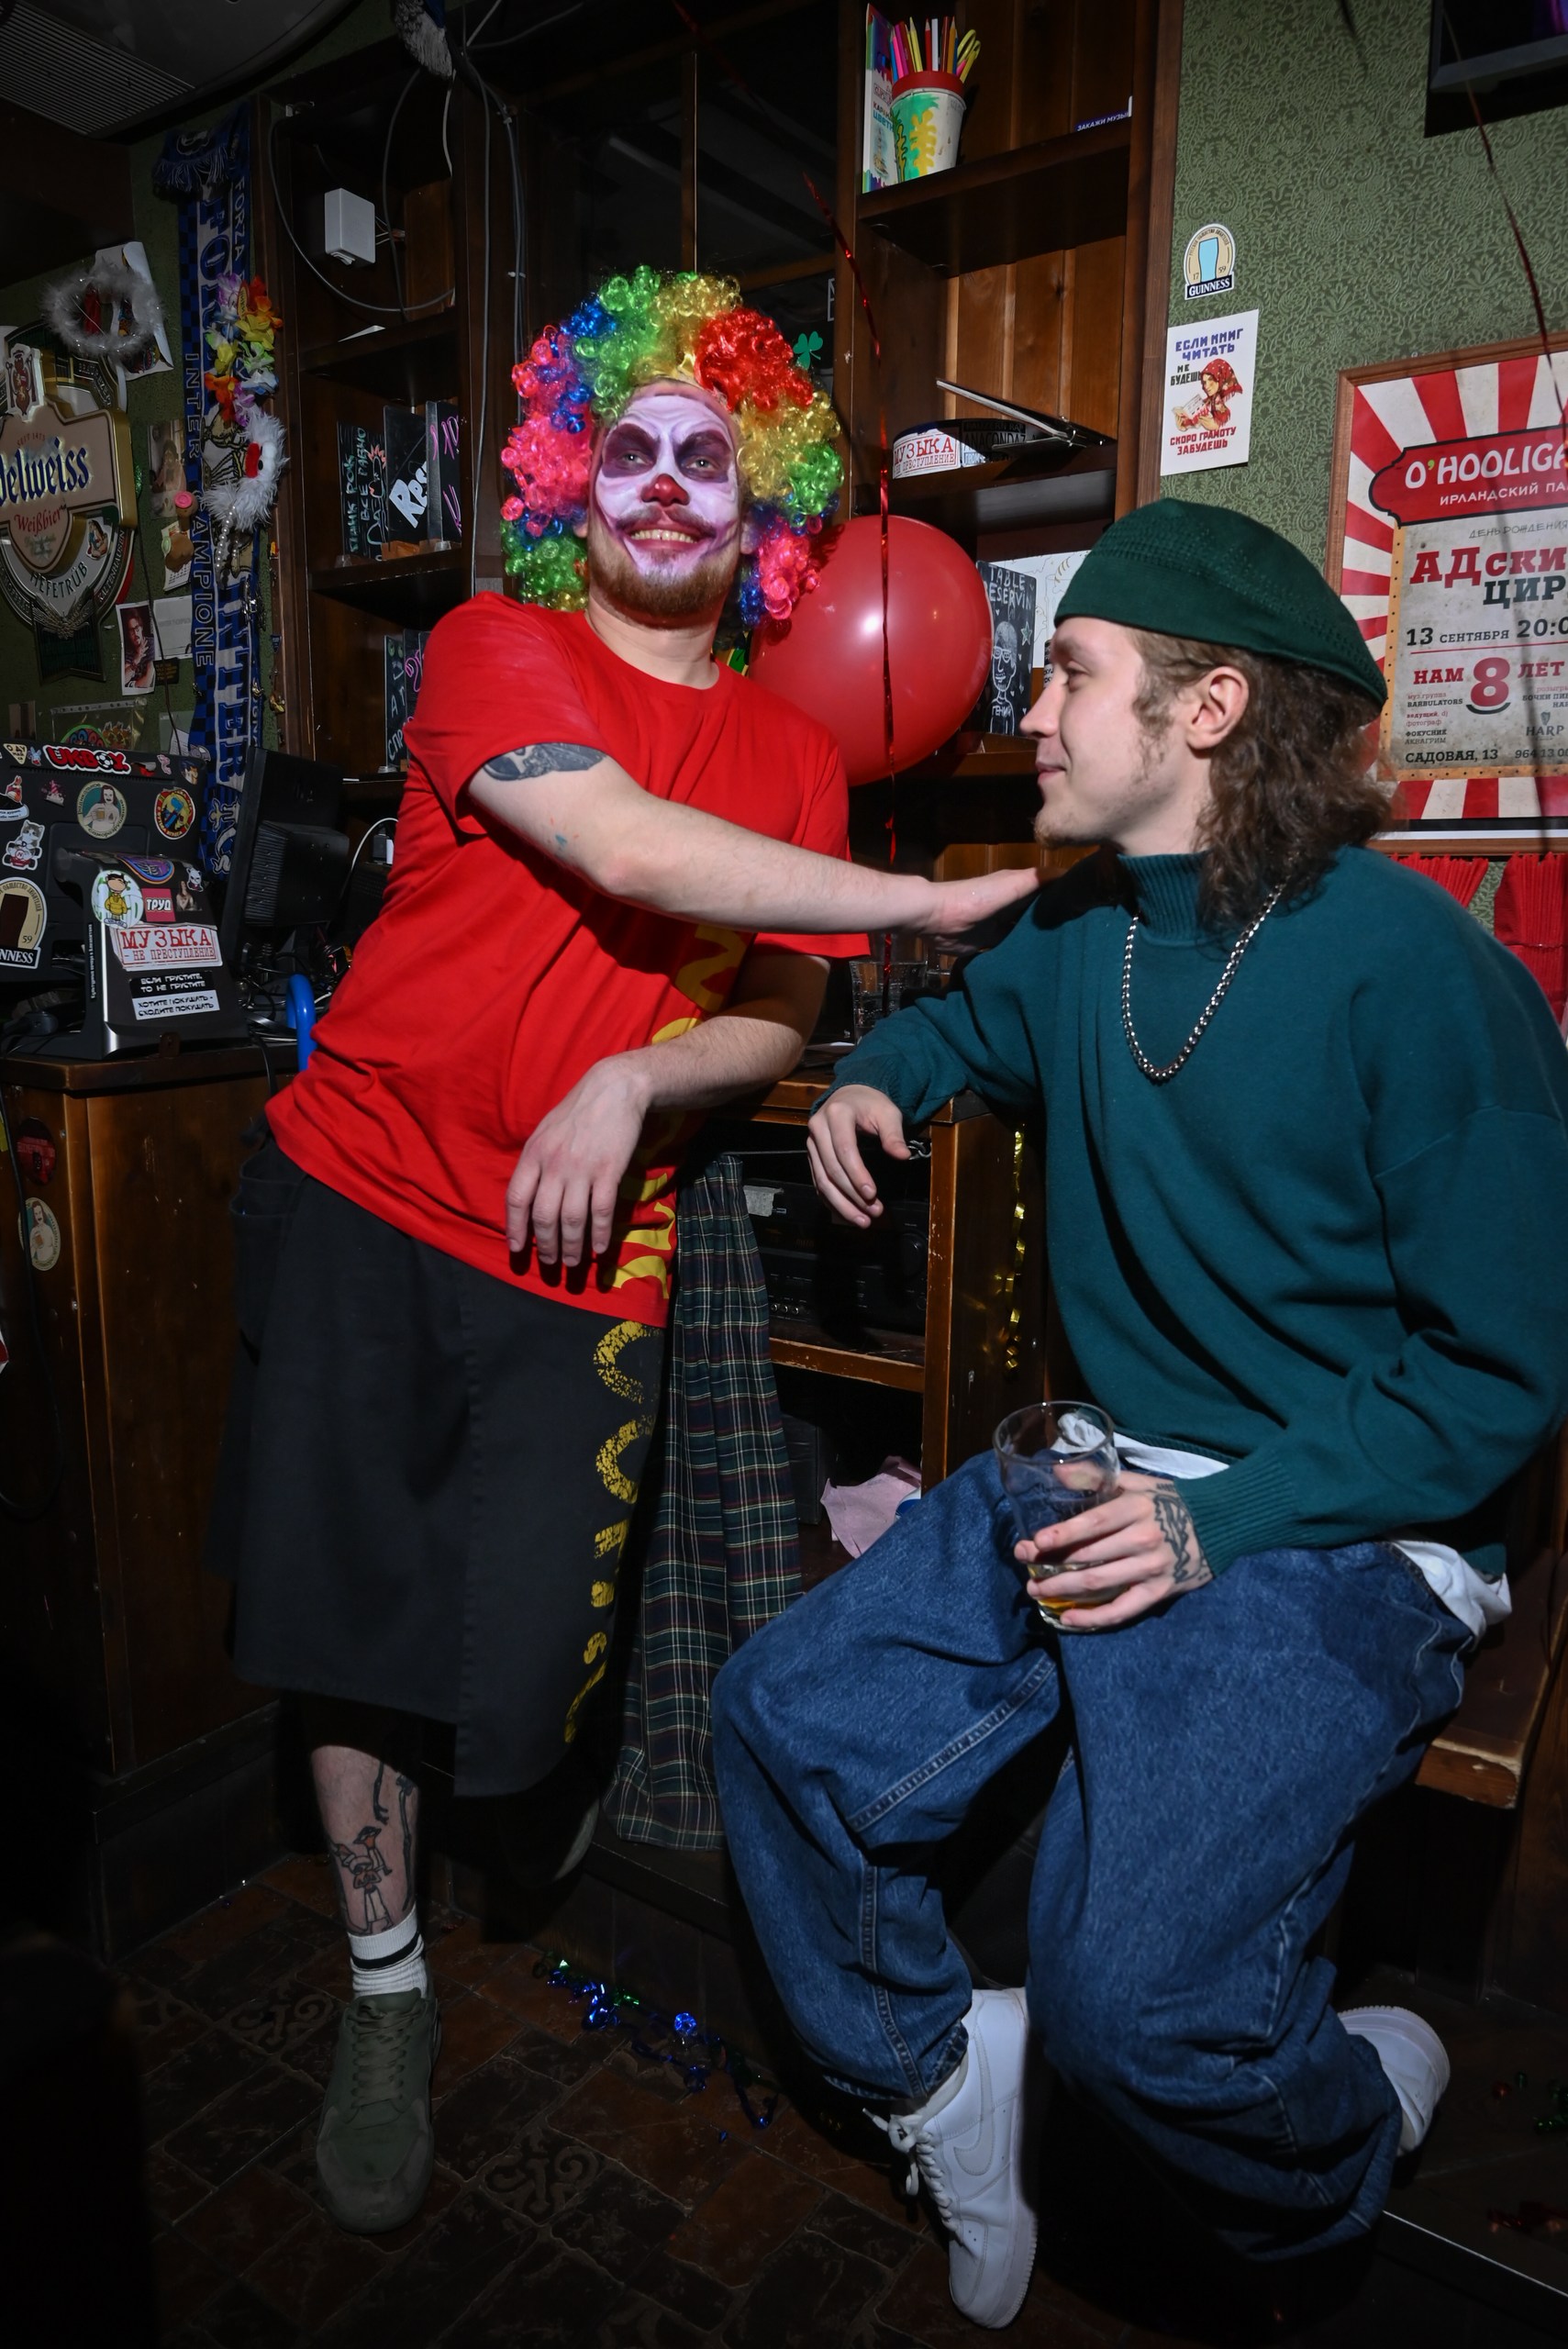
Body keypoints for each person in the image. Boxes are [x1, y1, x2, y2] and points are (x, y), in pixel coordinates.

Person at [206, 266, 1035, 2239]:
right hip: (362, 1188)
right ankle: (387, 1984)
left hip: (588, 1248)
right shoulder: (495, 645)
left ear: (764, 518)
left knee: (532, 1646)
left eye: (710, 459)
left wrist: (634, 1081)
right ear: (574, 481)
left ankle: (517, 1809)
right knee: (354, 1623)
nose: (666, 481)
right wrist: (925, 898)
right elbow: (626, 847)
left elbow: (776, 1008)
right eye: (631, 447)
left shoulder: (794, 756)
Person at [712, 497, 1568, 2329]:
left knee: (1138, 2014)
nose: (1032, 708)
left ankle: (1353, 2111)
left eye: (1074, 673)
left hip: (1341, 1512)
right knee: (781, 1722)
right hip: (1109, 1468)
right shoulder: (1088, 926)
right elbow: (964, 1023)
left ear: (1208, 707)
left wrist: (1215, 1521)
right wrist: (875, 1080)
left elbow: (1499, 1372)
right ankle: (948, 2084)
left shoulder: (1423, 977)